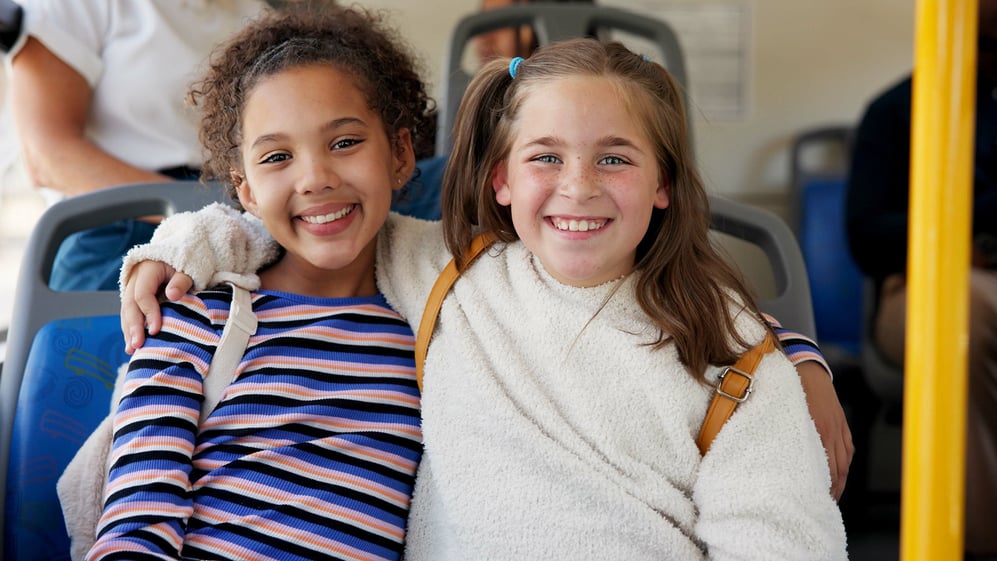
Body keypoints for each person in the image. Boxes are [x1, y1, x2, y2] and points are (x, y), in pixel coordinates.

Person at [119, 38, 847, 559]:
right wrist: (175, 249)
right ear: (500, 179)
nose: (579, 185)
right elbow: (291, 223)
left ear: (663, 184)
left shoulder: (741, 360)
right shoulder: (449, 272)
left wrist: (797, 359)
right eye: (545, 158)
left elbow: (778, 531)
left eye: (615, 158)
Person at [84, 5, 431, 560]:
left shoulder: (437, 333)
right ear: (244, 191)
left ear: (401, 154)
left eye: (344, 143)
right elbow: (134, 528)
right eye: (277, 157)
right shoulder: (195, 315)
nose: (315, 178)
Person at [846, 2, 997, 558]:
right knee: (963, 318)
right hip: (924, 283)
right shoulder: (898, 111)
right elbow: (865, 236)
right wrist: (964, 230)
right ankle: (978, 540)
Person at [4, 0, 273, 291]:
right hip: (121, 226)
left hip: (239, 227)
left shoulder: (258, 15)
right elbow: (48, 157)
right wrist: (204, 216)